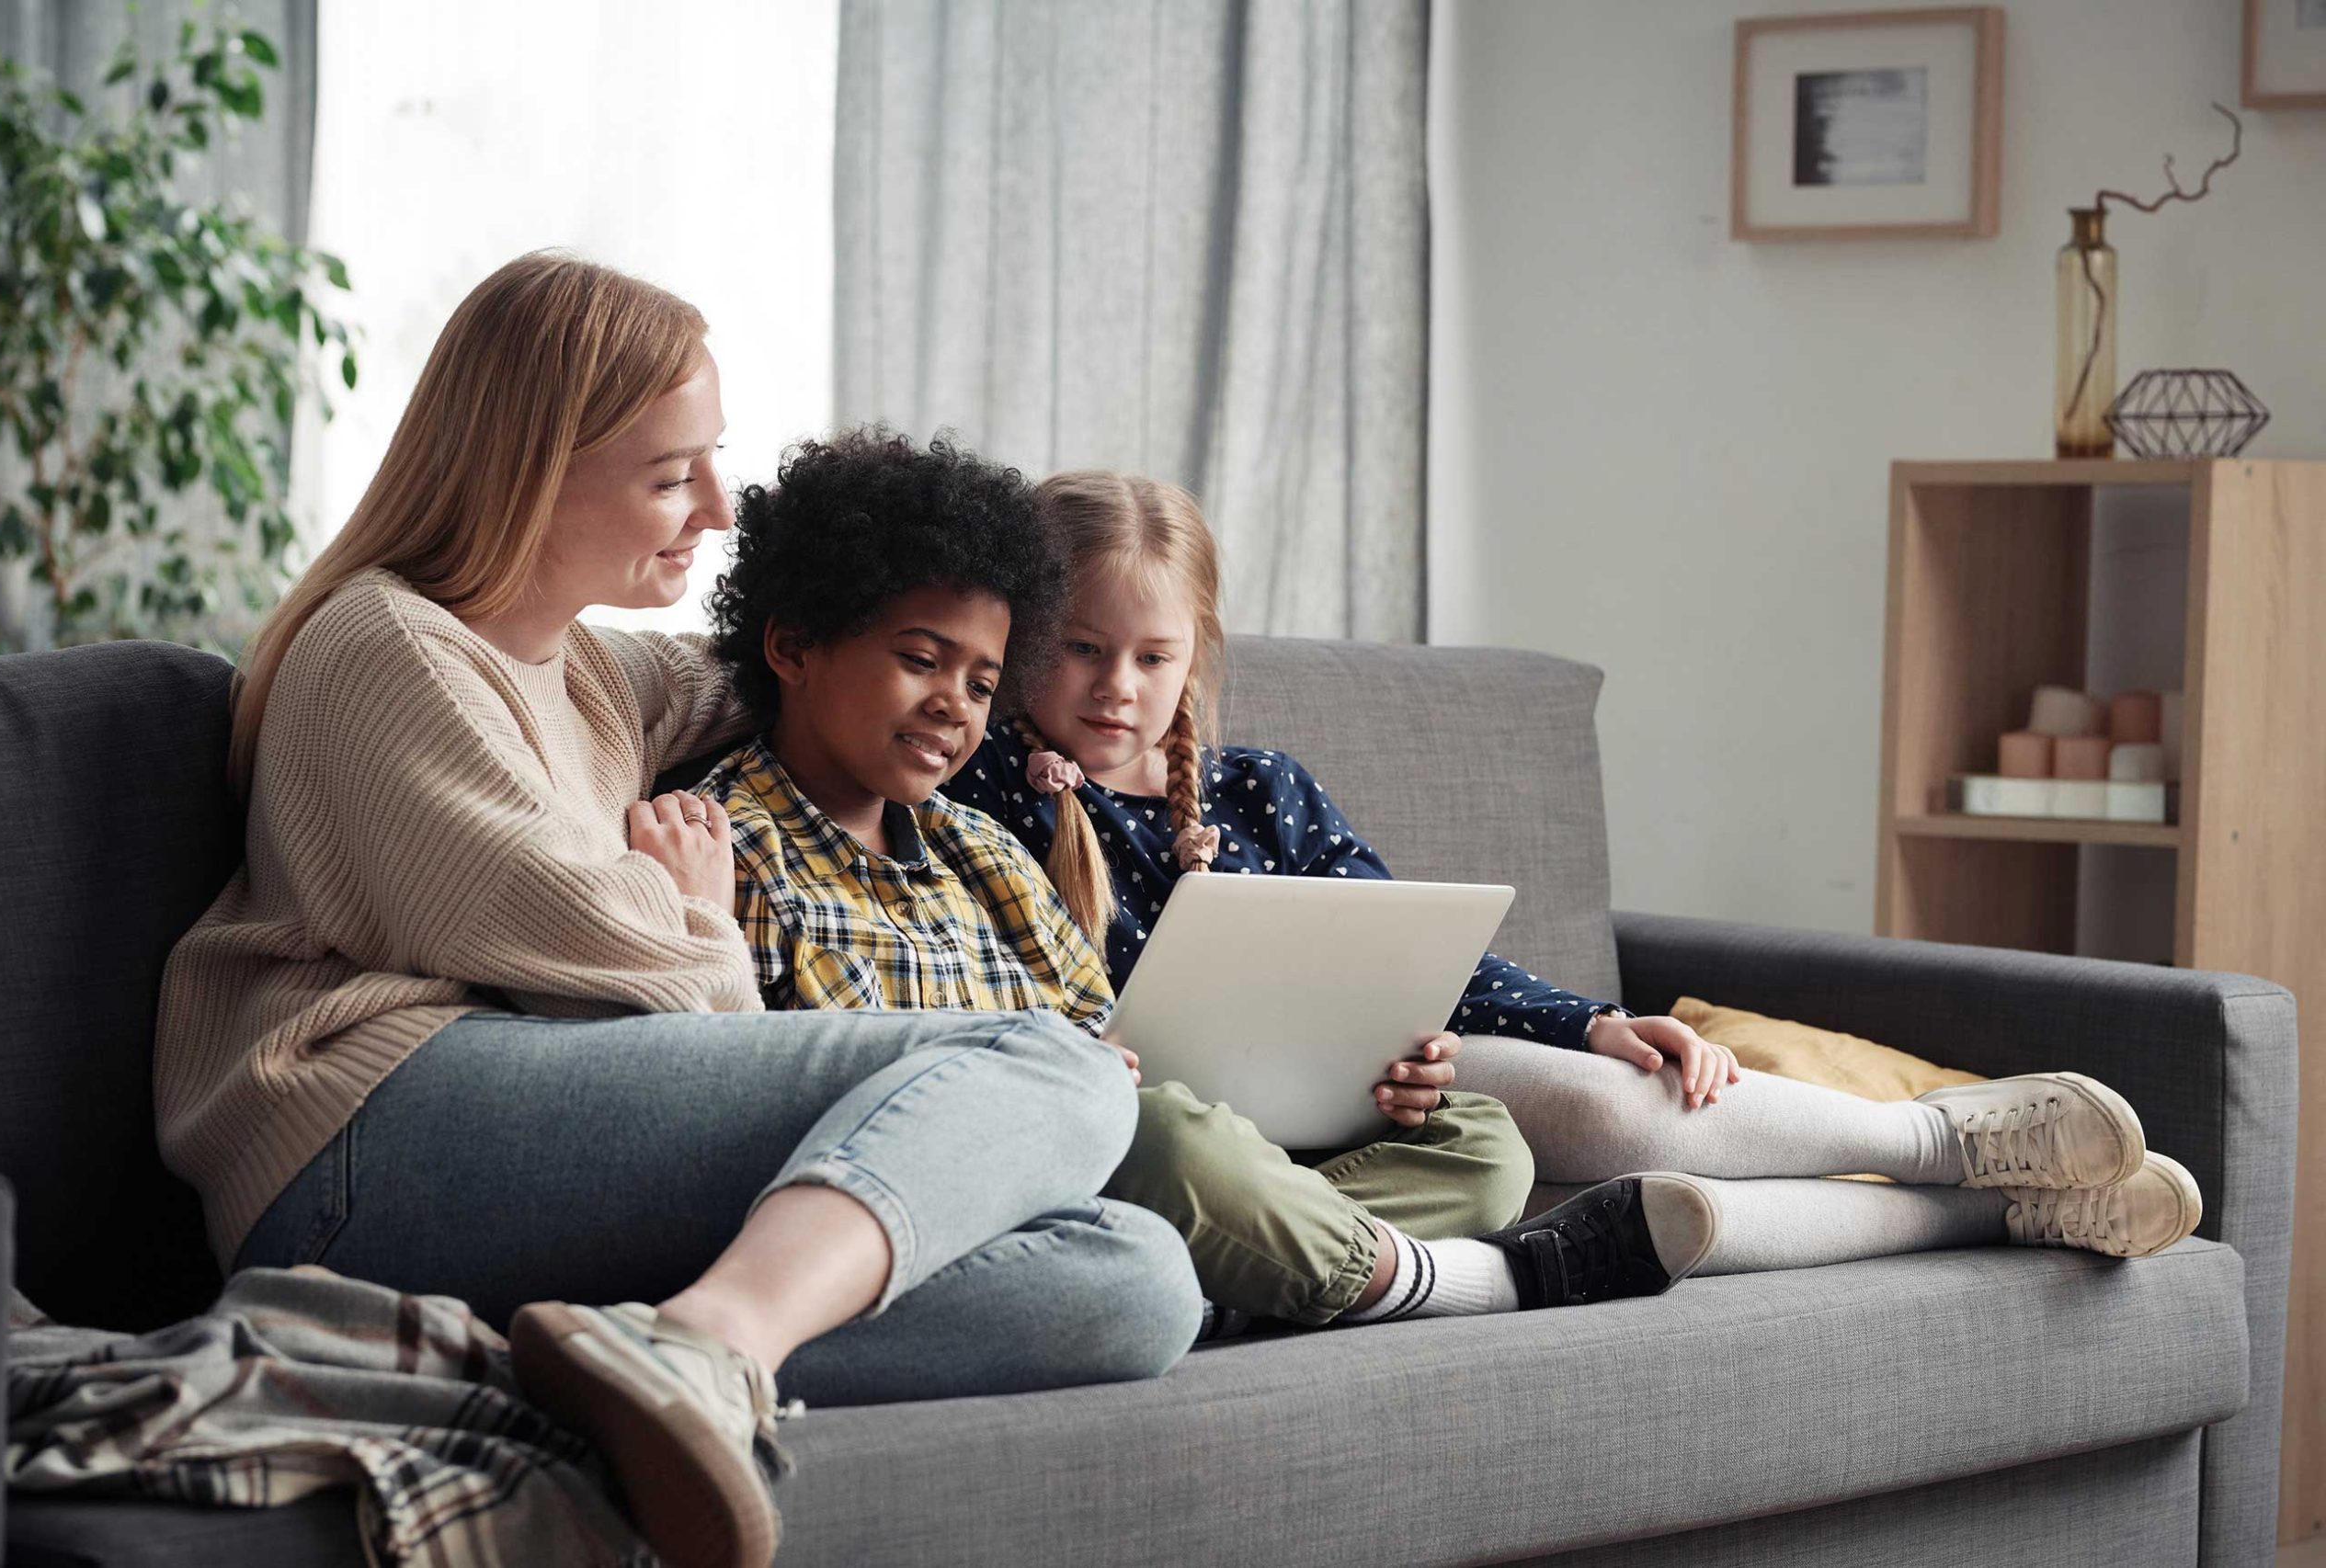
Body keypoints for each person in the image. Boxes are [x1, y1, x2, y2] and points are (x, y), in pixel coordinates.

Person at [156, 256, 1200, 1568]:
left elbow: (835, 662)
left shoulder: (588, 668)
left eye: (712, 461)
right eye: (670, 474)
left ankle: (612, 1353)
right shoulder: (389, 649)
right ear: (531, 468)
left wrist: (1070, 715)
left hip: (519, 1148)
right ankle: (710, 1347)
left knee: (1134, 1281)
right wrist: (701, 922)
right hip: (355, 1139)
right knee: (1042, 1057)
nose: (714, 503)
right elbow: (618, 963)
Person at [941, 470, 2206, 1290]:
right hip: (1206, 1142)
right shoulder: (984, 799)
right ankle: (1986, 1205)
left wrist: (1589, 1016)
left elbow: (1418, 953)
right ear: (1019, 645)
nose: (1118, 687)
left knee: (1608, 1110)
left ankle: (1960, 1152)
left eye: (1151, 655)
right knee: (1644, 1209)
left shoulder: (1260, 786)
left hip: (1376, 1099)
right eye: (1082, 649)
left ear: (1195, 655)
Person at [693, 427, 1728, 1335]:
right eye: (925, 661)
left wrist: (1558, 1024)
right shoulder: (745, 836)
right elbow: (739, 1078)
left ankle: (1246, 1283)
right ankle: (1473, 1283)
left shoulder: (974, 843)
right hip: (986, 1168)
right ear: (790, 645)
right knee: (1163, 1138)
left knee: (1477, 1138)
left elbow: (1097, 1033)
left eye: (978, 682)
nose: (955, 710)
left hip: (1141, 1131)